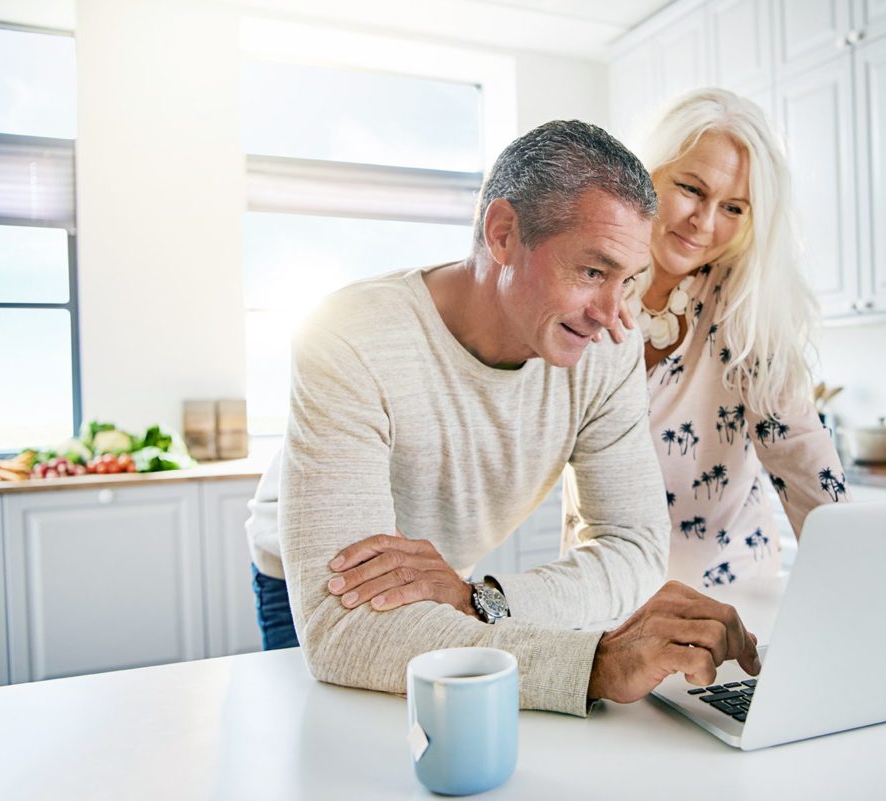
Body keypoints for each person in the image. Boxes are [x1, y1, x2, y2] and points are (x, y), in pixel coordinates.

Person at [270, 119, 760, 716]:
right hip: (310, 585)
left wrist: (482, 600)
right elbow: (345, 635)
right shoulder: (352, 335)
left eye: (628, 280)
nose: (614, 315)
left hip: (454, 586)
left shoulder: (607, 350)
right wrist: (597, 665)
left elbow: (634, 547)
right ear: (503, 234)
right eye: (592, 272)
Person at [566, 88, 850, 589]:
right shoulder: (588, 290)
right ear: (646, 173)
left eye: (734, 208)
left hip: (731, 596)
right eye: (692, 189)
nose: (704, 222)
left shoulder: (746, 304)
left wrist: (860, 570)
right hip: (602, 590)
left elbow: (801, 452)